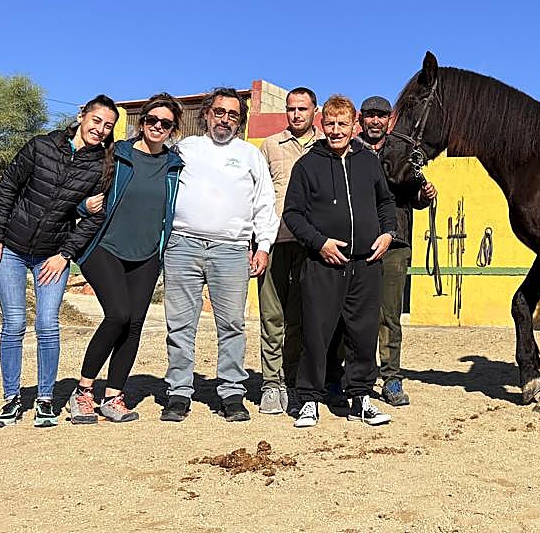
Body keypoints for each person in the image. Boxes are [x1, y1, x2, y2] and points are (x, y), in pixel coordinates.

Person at [0, 95, 119, 428]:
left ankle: (45, 399)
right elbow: (7, 188)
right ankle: (11, 399)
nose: (100, 130)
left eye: (108, 126)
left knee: (47, 325)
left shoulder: (102, 165)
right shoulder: (40, 146)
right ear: (82, 116)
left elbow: (93, 218)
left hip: (53, 255)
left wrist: (65, 255)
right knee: (14, 324)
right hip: (11, 248)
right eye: (97, 120)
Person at [60, 94, 184, 424]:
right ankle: (83, 391)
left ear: (173, 128)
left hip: (146, 255)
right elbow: (76, 197)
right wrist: (82, 207)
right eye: (152, 120)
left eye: (166, 123)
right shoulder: (115, 155)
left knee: (134, 325)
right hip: (104, 248)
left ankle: (114, 395)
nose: (158, 126)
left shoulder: (175, 166)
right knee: (117, 314)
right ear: (141, 122)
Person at [161, 88, 277, 423]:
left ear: (240, 122)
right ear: (206, 114)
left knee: (232, 325)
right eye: (219, 112)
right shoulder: (185, 148)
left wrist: (264, 245)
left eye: (232, 115)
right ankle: (179, 391)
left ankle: (231, 392)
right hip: (183, 245)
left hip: (232, 250)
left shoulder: (250, 155)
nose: (224, 119)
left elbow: (264, 203)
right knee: (180, 324)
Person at [283, 95, 398, 429]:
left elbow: (386, 201)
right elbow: (293, 213)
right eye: (330, 124)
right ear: (322, 124)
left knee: (363, 333)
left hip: (366, 263)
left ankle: (361, 398)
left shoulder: (368, 160)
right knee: (316, 334)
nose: (335, 130)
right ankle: (309, 400)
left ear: (353, 124)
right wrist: (319, 243)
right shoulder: (308, 164)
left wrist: (388, 232)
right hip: (323, 263)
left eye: (342, 124)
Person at [356, 94, 436, 407]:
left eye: (381, 116)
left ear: (389, 120)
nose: (375, 121)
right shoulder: (350, 148)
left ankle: (390, 378)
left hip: (396, 241)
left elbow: (413, 192)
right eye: (370, 115)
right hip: (356, 242)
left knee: (389, 315)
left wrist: (424, 193)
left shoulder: (403, 149)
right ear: (361, 119)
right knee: (350, 314)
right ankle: (345, 376)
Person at [257, 87, 322, 416]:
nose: (296, 114)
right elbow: (257, 194)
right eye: (291, 109)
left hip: (311, 244)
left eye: (303, 109)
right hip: (273, 241)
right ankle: (271, 382)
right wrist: (254, 242)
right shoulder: (270, 146)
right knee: (272, 315)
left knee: (302, 316)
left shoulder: (326, 146)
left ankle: (294, 379)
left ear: (315, 110)